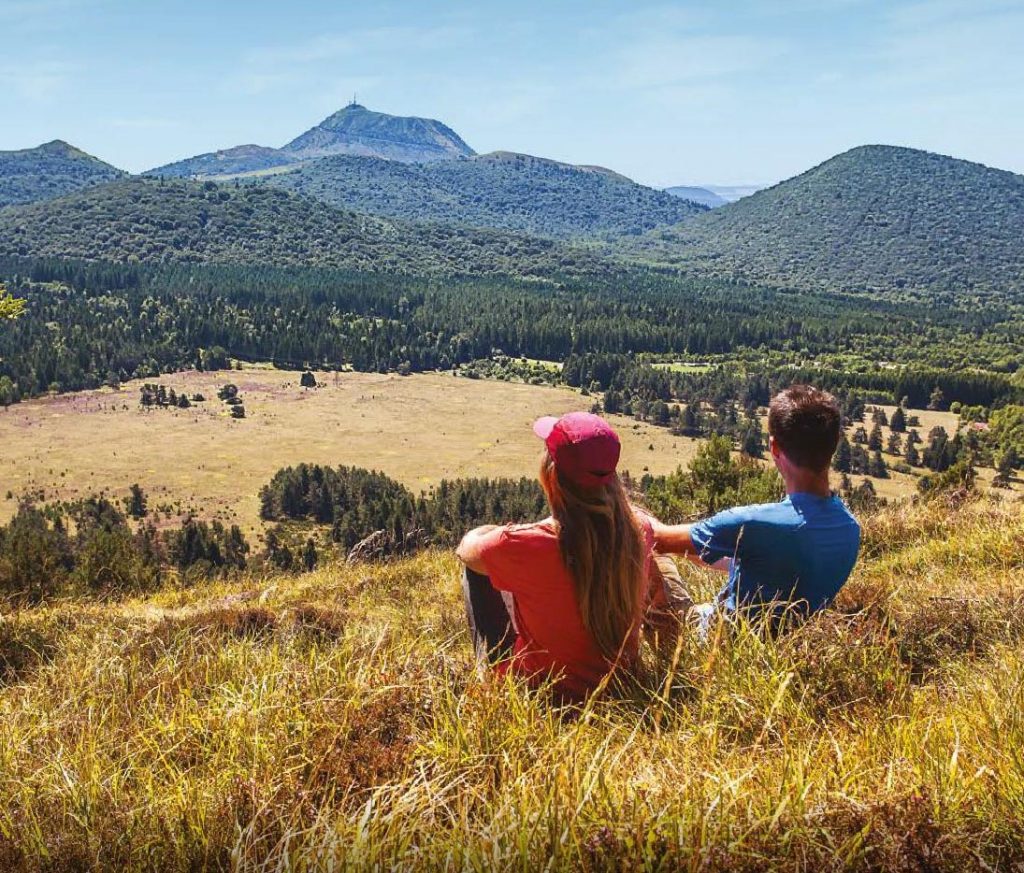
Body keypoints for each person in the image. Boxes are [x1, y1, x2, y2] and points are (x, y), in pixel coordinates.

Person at [456, 412, 663, 700]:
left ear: (551, 474)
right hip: (622, 688)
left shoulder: (524, 545)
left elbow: (467, 551)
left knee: (476, 571)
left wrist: (491, 531)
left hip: (543, 693)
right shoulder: (639, 530)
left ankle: (488, 680)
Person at [651, 385, 861, 631]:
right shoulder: (849, 528)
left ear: (774, 447)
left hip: (718, 641)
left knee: (644, 536)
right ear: (835, 442)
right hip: (790, 643)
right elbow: (767, 563)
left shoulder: (753, 524)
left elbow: (656, 538)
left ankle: (620, 661)